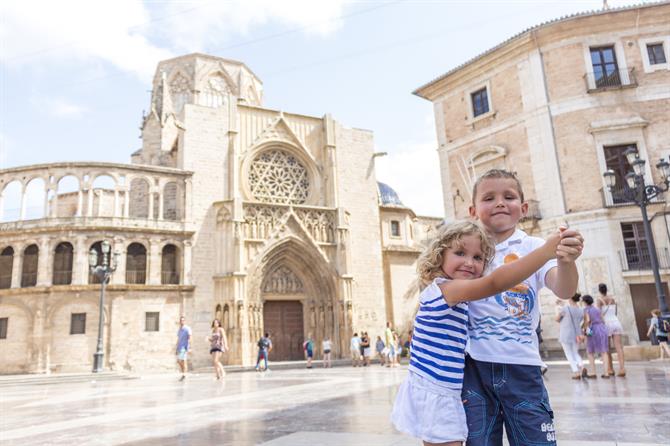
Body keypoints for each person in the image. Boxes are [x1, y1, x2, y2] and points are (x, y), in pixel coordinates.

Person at [391, 219, 562, 446]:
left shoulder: (449, 292)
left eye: (478, 257)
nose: (469, 263)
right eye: (460, 253)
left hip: (444, 389)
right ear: (440, 255)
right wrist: (544, 253)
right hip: (437, 391)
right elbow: (494, 283)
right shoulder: (447, 289)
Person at [462, 169, 583, 446]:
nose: (500, 203)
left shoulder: (535, 246)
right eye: (489, 198)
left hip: (523, 367)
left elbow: (564, 289)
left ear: (524, 208)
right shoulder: (466, 251)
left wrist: (566, 260)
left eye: (509, 196)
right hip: (474, 368)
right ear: (473, 210)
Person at [596, 283, 626, 377]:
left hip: (606, 324)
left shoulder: (599, 300)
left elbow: (599, 314)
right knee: (619, 347)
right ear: (606, 289)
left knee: (607, 348)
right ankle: (622, 369)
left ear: (599, 290)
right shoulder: (612, 299)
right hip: (616, 322)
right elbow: (615, 312)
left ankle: (610, 369)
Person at [556, 293, 586, 379]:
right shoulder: (581, 310)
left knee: (568, 353)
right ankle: (582, 366)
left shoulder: (565, 309)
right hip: (577, 334)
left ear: (570, 299)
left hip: (566, 334)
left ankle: (576, 372)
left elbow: (557, 319)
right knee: (575, 352)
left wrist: (558, 309)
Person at [582, 294, 610, 378]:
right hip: (602, 328)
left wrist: (585, 330)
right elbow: (603, 320)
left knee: (590, 351)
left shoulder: (586, 310)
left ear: (585, 302)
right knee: (604, 351)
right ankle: (606, 373)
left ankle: (593, 372)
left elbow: (588, 320)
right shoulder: (597, 309)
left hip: (592, 329)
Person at [175, 315, 192, 381]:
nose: (182, 321)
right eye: (181, 320)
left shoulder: (187, 328)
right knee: (179, 361)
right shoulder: (179, 330)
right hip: (179, 347)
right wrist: (176, 348)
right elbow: (178, 339)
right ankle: (184, 373)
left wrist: (189, 347)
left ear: (184, 321)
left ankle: (184, 374)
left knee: (183, 361)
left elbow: (190, 338)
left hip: (184, 347)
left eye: (183, 320)